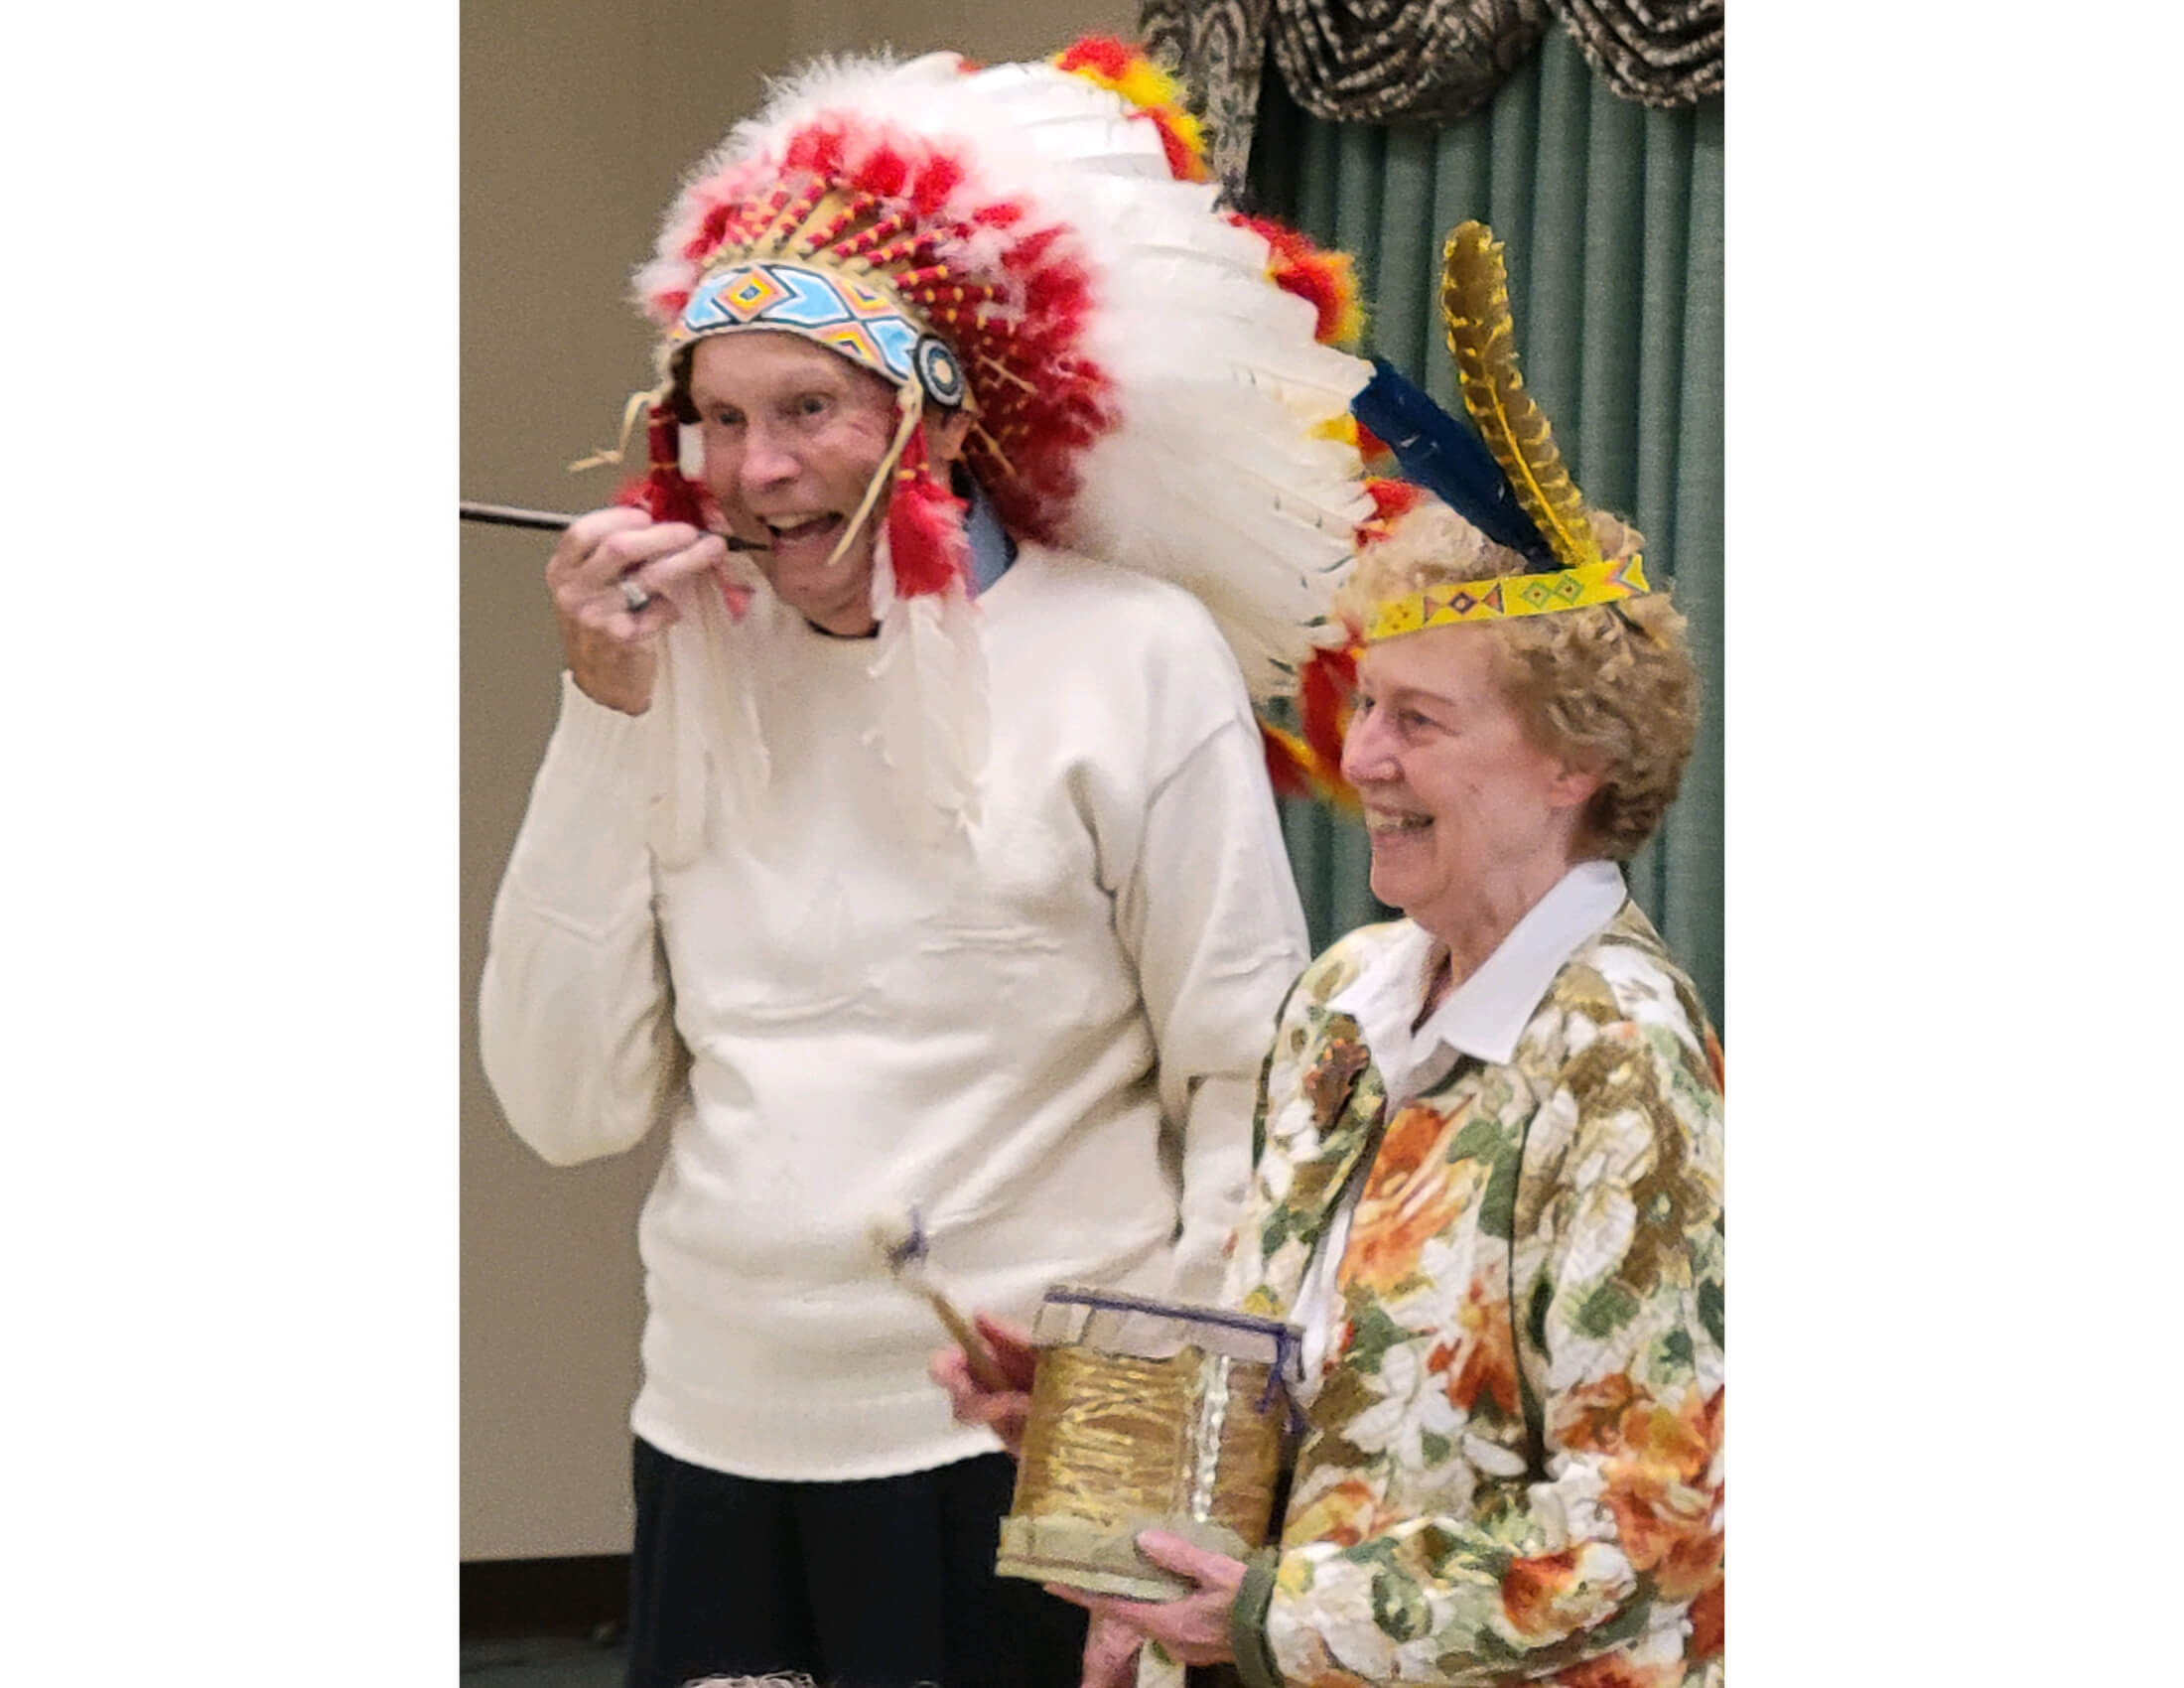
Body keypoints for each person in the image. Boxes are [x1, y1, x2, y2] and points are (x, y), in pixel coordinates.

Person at [477, 36, 1374, 1688]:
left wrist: (1149, 1493)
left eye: (809, 409)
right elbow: (561, 1101)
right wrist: (603, 712)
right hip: (716, 1432)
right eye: (721, 420)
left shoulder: (1134, 652)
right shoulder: (671, 663)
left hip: (1019, 1447)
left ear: (941, 418)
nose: (761, 471)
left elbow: (1246, 1083)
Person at [937, 222, 1724, 1688]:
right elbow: (1312, 1401)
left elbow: (1652, 1522)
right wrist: (1103, 1427)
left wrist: (1274, 1619)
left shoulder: (1619, 1058)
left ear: (1574, 761)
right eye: (1366, 705)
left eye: (1419, 720)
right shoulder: (1345, 1001)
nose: (1360, 758)